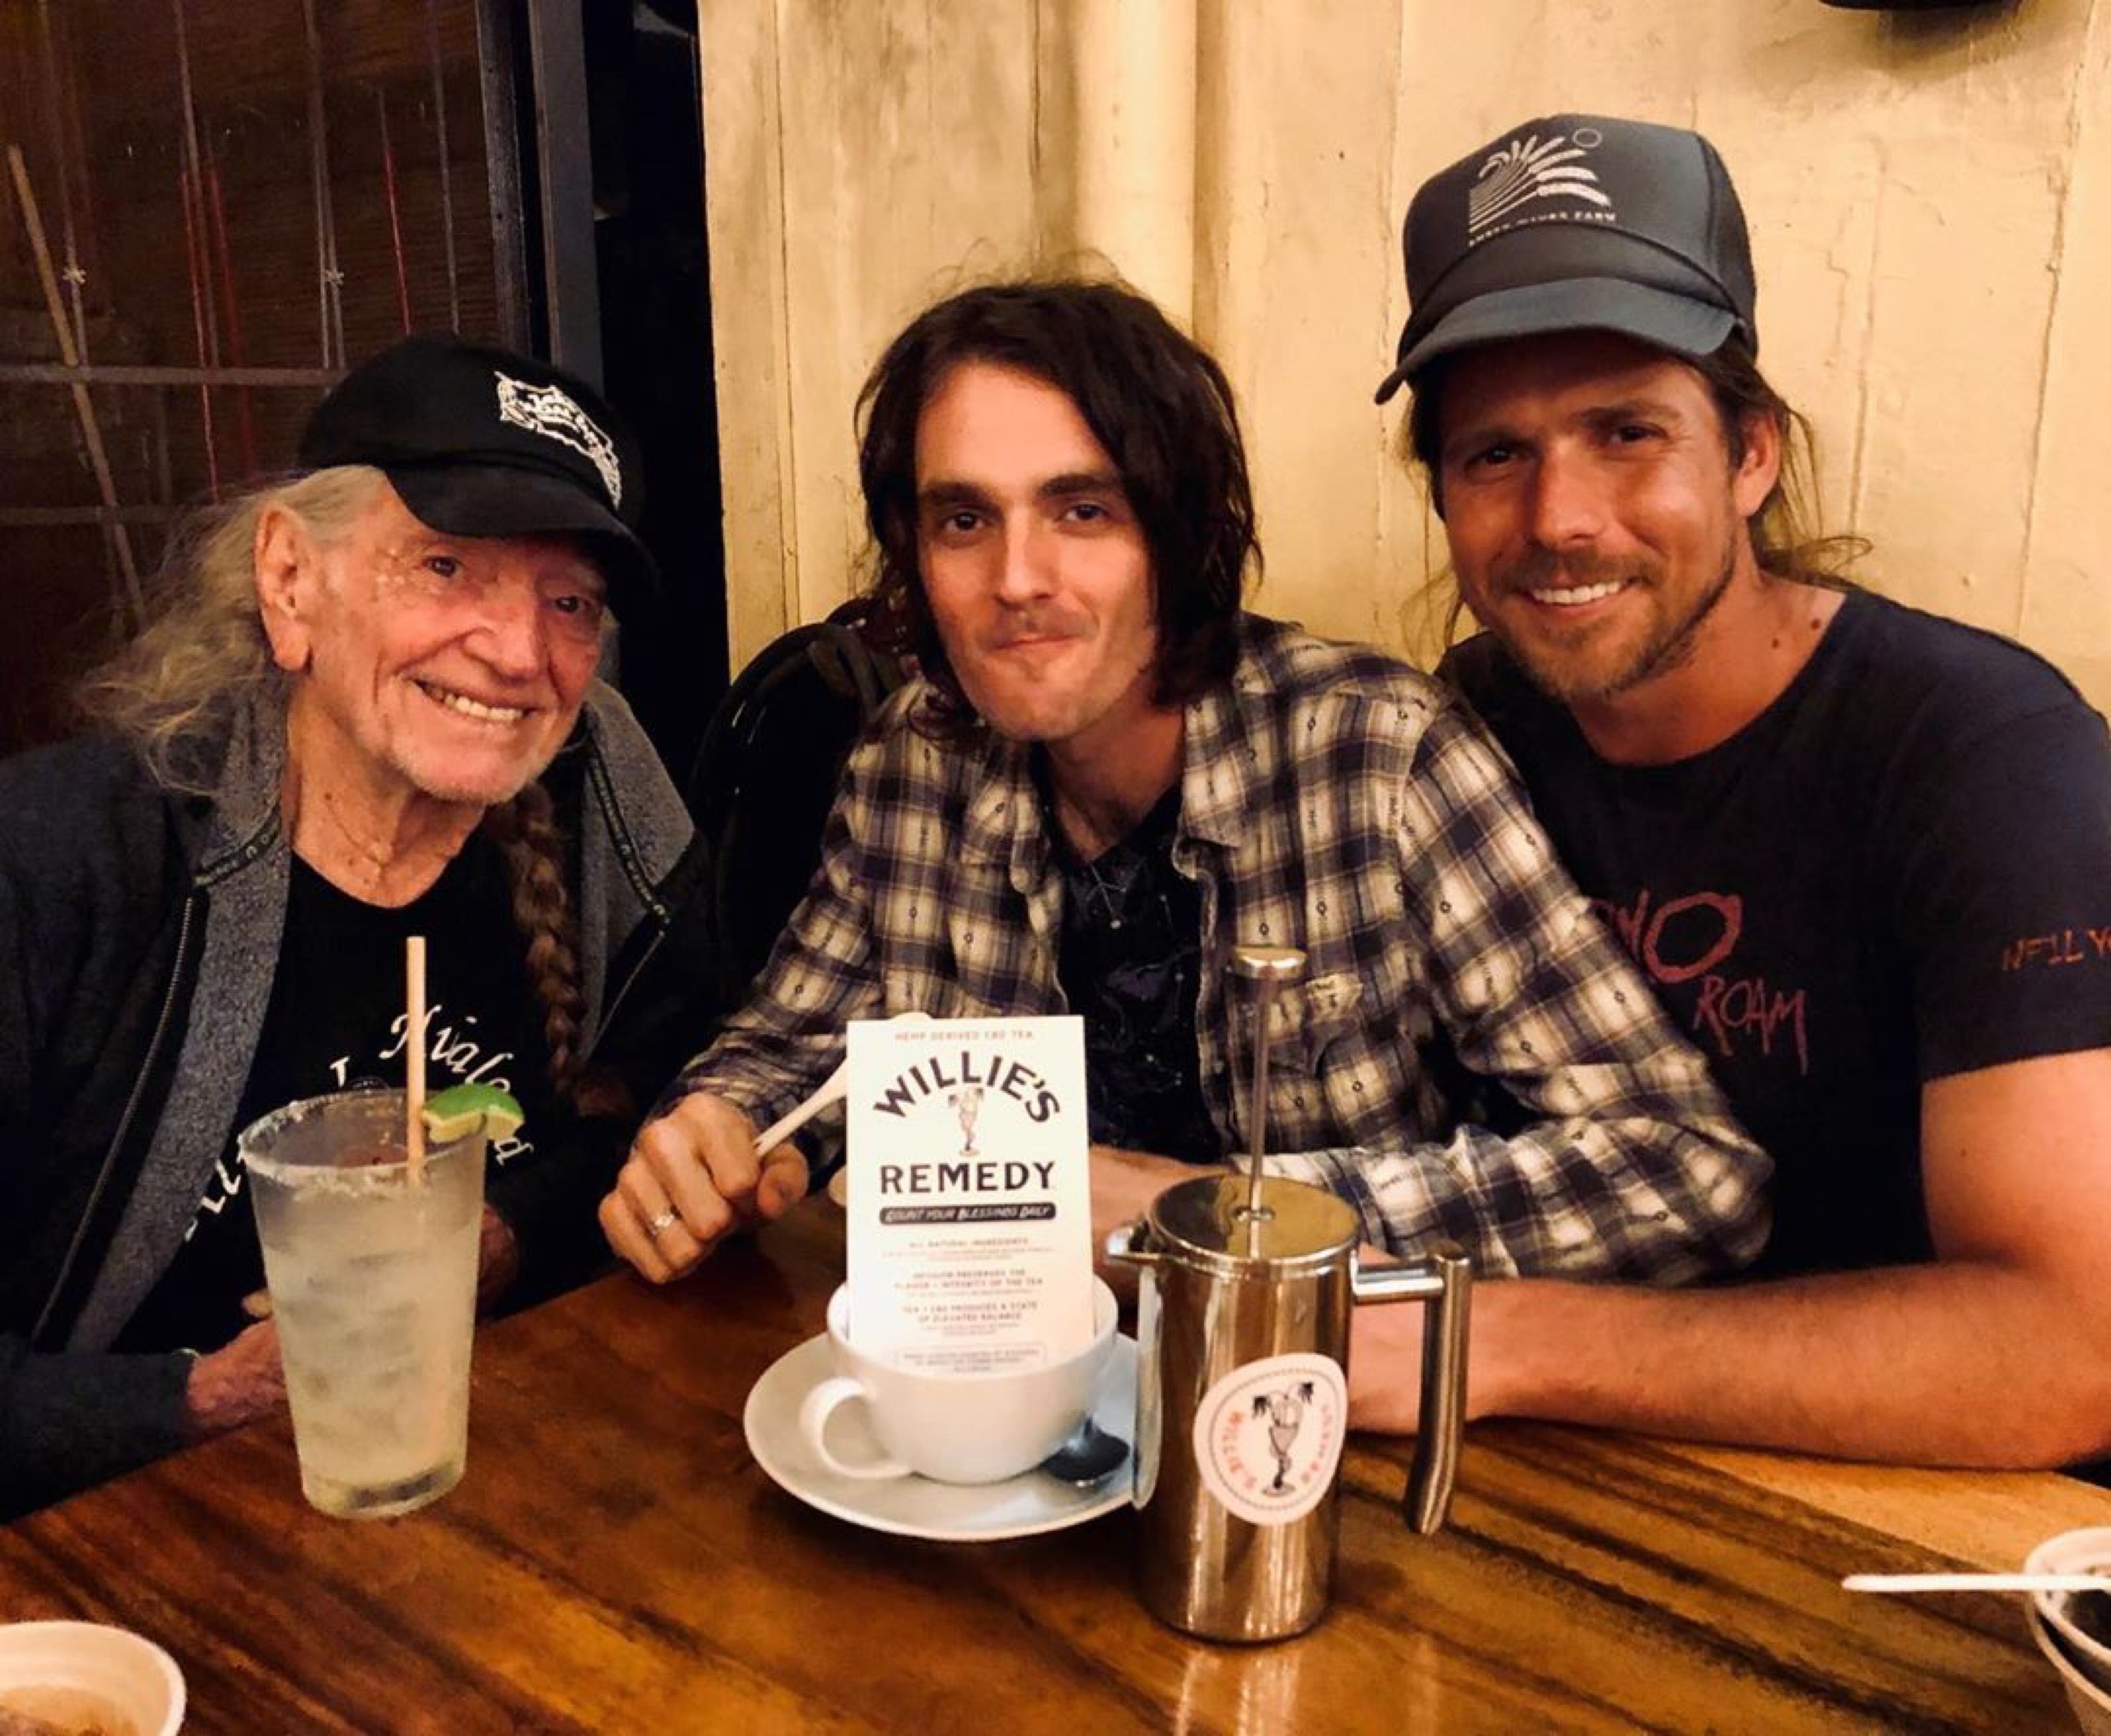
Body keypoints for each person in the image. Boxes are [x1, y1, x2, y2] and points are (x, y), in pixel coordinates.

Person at [601, 277, 1769, 1303]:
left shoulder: (1377, 755)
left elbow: (1684, 1172)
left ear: (1183, 534)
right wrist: (715, 1129)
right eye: (964, 520)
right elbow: (791, 1049)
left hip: (1296, 1436)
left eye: (1084, 511)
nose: (1017, 581)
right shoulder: (917, 760)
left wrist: (1213, 1223)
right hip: (985, 1404)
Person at [1366, 113, 2111, 1466]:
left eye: (1626, 432)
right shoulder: (1465, 727)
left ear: (1752, 452)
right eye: (1495, 454)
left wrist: (1491, 1341)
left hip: (1921, 1528)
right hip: (1558, 1472)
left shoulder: (1986, 756)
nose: (1558, 519)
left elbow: (2068, 1347)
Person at [0, 334, 715, 1517]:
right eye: (442, 567)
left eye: (569, 600)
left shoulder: (600, 799)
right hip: (116, 1556)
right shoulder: (58, 862)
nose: (518, 651)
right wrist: (201, 1400)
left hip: (503, 1485)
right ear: (290, 580)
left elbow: (670, 1098)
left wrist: (502, 1235)